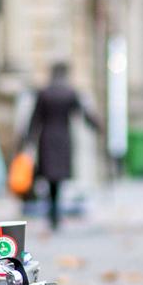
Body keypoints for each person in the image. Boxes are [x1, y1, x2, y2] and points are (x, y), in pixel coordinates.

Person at [24, 62, 100, 230]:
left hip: (46, 137)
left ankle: (52, 212)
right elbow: (84, 114)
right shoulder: (70, 92)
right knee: (57, 177)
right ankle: (55, 212)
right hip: (63, 137)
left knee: (50, 177)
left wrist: (28, 140)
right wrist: (98, 126)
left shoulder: (44, 93)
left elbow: (35, 118)